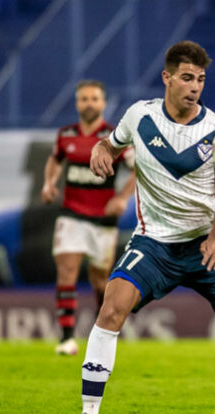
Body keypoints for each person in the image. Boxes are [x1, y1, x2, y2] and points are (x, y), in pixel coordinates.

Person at [61, 40, 215, 414]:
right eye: (188, 78)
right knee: (110, 309)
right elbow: (111, 143)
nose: (195, 87)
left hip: (205, 246)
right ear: (168, 77)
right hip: (153, 245)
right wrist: (100, 151)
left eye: (201, 80)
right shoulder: (139, 117)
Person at [41, 80, 135, 356]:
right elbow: (56, 159)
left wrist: (121, 199)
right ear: (77, 103)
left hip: (103, 220)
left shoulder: (113, 137)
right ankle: (67, 338)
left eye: (94, 98)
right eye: (84, 99)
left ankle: (101, 332)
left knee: (100, 281)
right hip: (71, 214)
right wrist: (49, 183)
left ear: (103, 103)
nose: (89, 103)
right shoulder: (66, 134)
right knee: (66, 272)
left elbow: (137, 168)